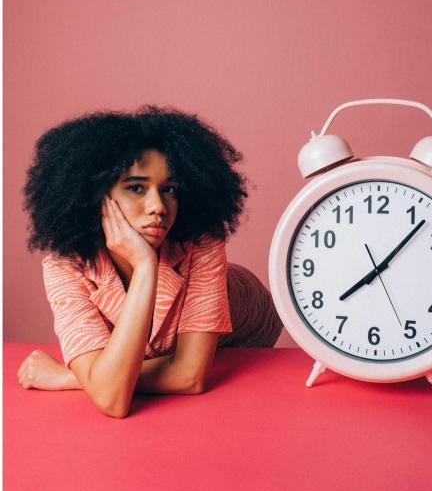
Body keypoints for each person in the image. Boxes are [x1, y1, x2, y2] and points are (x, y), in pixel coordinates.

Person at [17, 105, 282, 417]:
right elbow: (114, 401)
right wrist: (145, 265)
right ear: (95, 195)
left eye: (169, 189)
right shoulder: (65, 265)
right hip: (156, 349)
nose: (158, 206)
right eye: (136, 188)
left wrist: (73, 377)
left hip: (245, 329)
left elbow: (190, 375)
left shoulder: (202, 240)